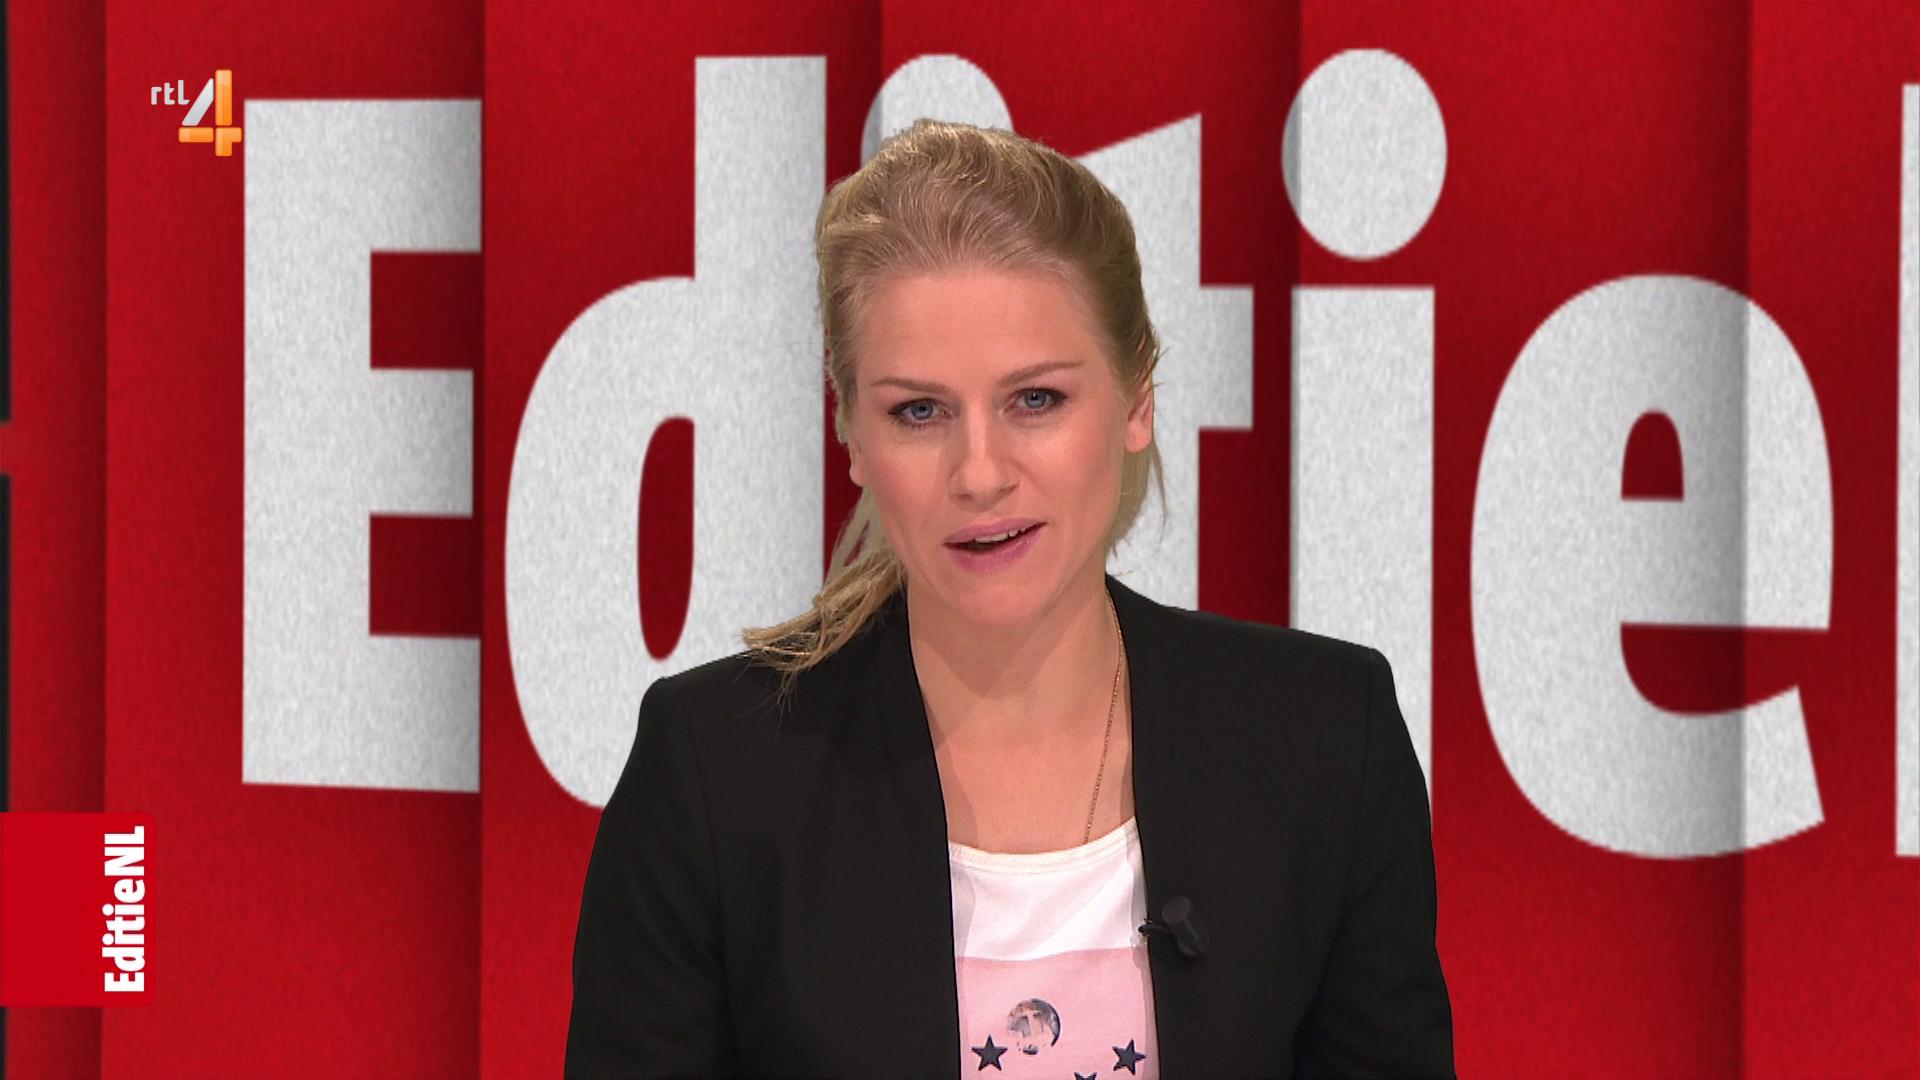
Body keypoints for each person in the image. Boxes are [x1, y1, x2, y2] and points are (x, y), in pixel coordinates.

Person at [565, 118, 1453, 1079]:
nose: (979, 472)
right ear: (852, 435)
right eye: (919, 411)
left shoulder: (1327, 742)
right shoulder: (711, 775)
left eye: (1035, 400)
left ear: (1137, 401)